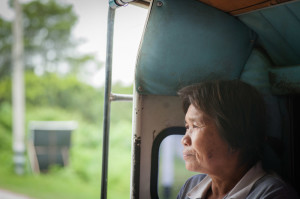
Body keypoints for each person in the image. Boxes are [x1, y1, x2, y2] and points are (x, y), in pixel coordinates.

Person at [176, 79, 299, 199]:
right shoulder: (192, 185)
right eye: (187, 127)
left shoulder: (272, 194)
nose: (184, 140)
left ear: (235, 136)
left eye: (195, 126)